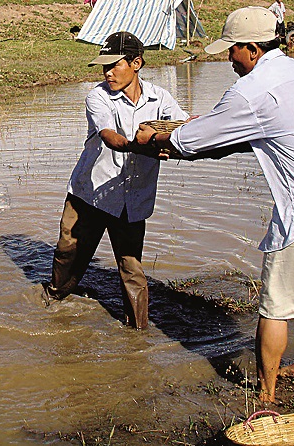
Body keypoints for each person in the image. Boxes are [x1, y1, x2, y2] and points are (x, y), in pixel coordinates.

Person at [135, 6, 294, 403]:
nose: (228, 58)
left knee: (275, 305)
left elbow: (191, 142)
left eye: (233, 50)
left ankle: (265, 398)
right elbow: (254, 133)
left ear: (254, 50)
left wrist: (151, 140)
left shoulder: (250, 91)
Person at [44, 32, 188, 329]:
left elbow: (182, 127)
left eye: (114, 65)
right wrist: (147, 145)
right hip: (90, 194)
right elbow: (110, 137)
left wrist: (184, 137)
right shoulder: (98, 96)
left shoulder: (160, 98)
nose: (107, 73)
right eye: (103, 67)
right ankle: (53, 299)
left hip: (133, 198)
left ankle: (138, 334)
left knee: (131, 267)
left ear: (136, 63)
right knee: (67, 253)